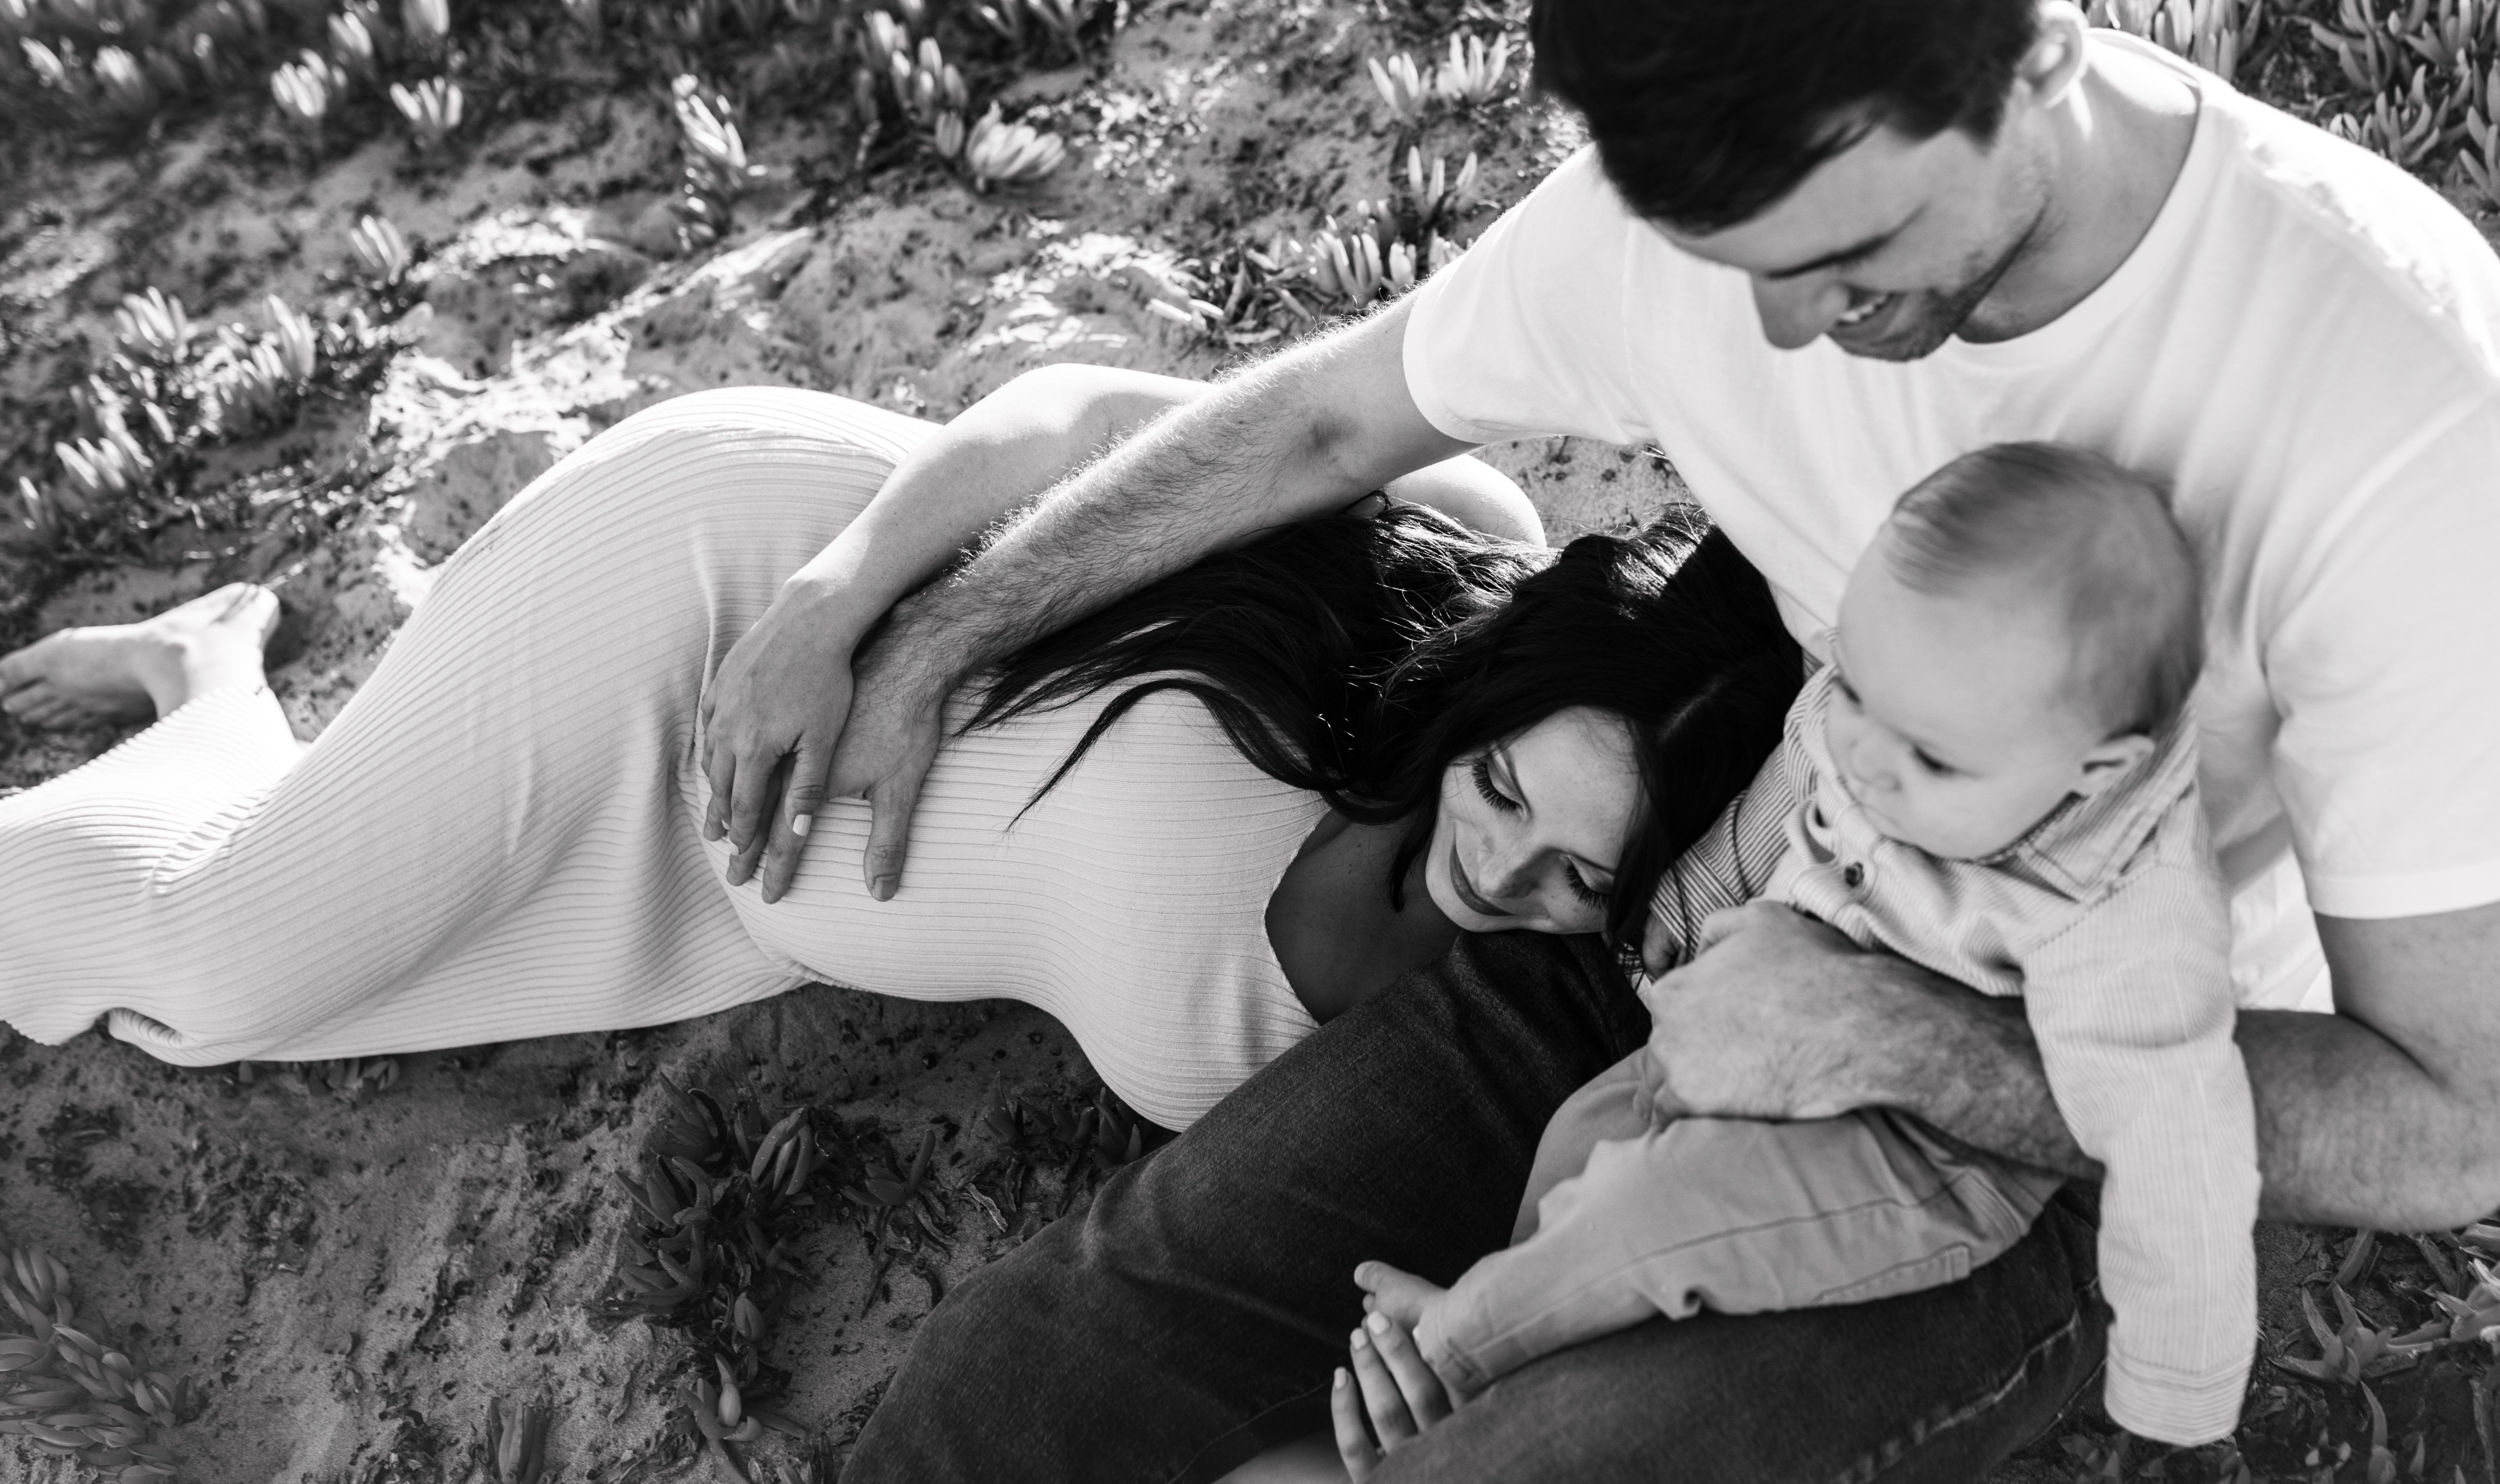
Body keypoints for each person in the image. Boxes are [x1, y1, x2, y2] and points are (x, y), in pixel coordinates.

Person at [731, 0, 2500, 1484]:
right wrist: (943, 617)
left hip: (2041, 1147)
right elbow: (1327, 418)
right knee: (1025, 1368)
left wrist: (1928, 1046)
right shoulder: (1702, 209)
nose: (1784, 341)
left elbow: (2460, 1113)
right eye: (1739, 275)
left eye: (1848, 267)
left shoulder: (2393, 383)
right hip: (1677, 946)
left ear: (2037, 51)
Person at [0, 373, 1803, 1131]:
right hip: (723, 609)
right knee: (213, 955)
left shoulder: (1537, 1031)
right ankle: (203, 710)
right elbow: (1075, 417)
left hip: (742, 884)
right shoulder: (1449, 530)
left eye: (1580, 873)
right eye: (1500, 784)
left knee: (247, 1003)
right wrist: (833, 600)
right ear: (1492, 689)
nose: (1509, 871)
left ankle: (209, 688)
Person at [1344, 442, 2255, 1464]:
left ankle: (1469, 1349)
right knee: (1583, 1134)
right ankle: (1530, 1320)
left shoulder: (2125, 889)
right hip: (1742, 1024)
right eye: (1858, 688)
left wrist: (2183, 1381)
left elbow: (2176, 1124)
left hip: (1902, 1150)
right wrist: (1670, 940)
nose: (1865, 755)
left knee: (1654, 1213)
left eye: (1933, 753)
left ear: (2099, 766)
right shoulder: (1848, 717)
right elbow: (1760, 830)